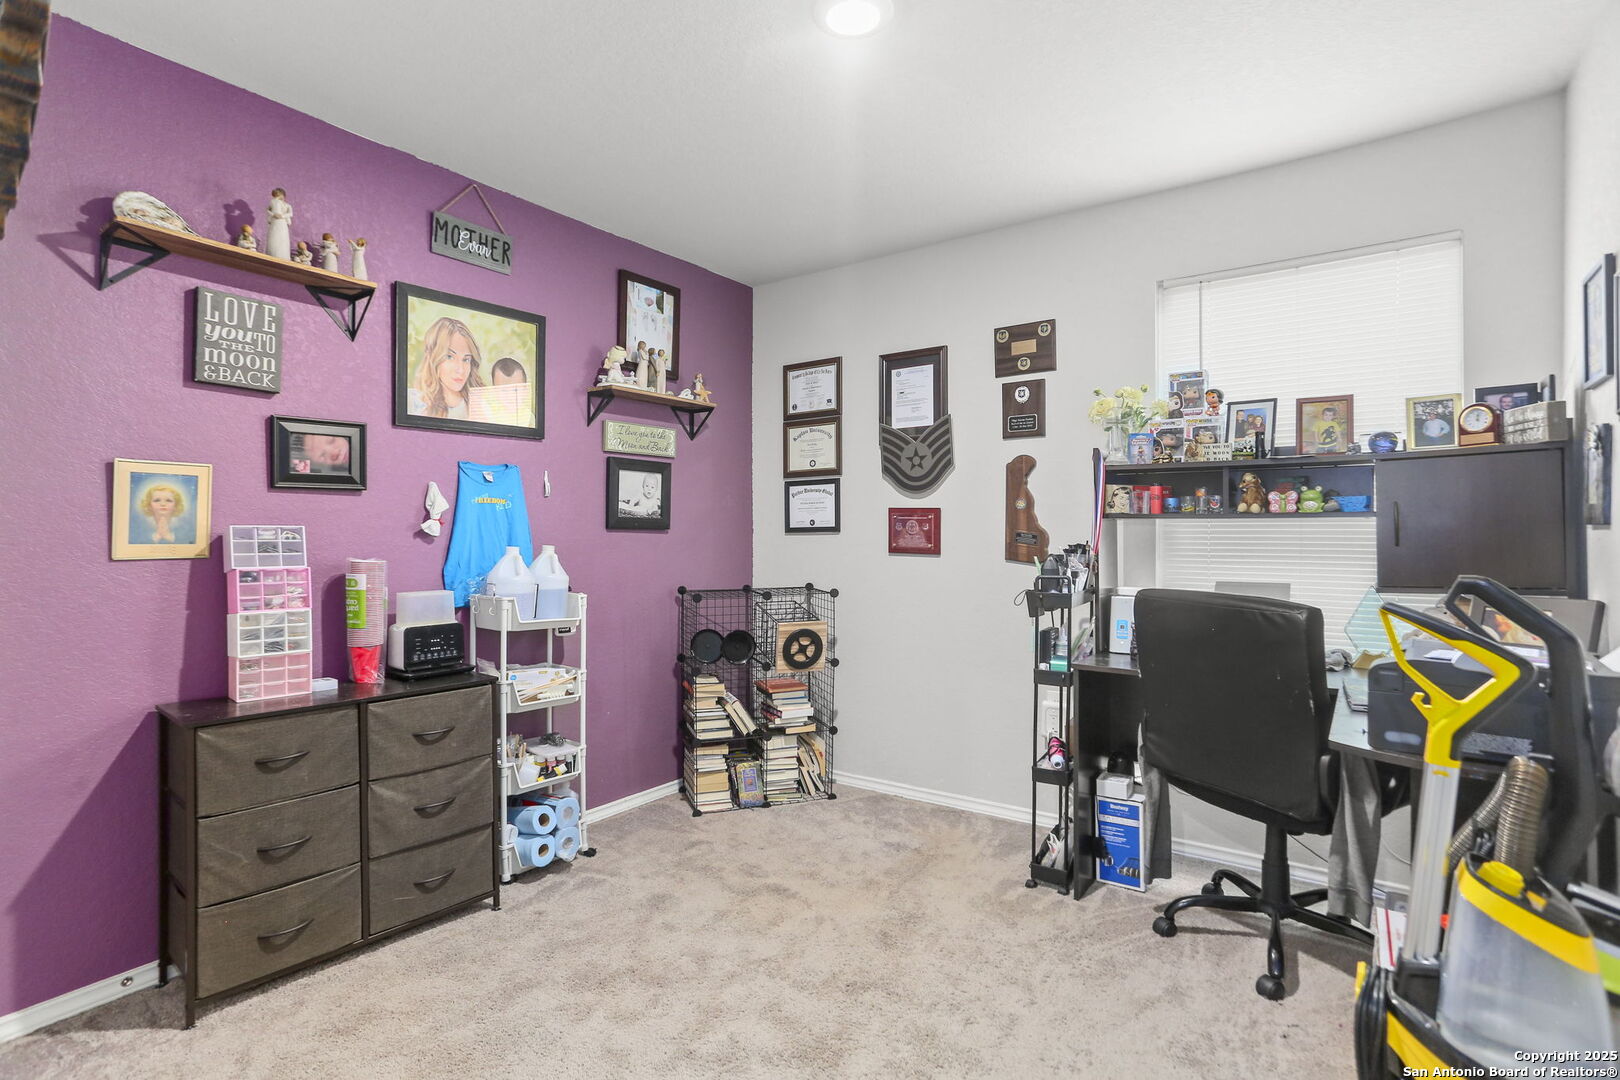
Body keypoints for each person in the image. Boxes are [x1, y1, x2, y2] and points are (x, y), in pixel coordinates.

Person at [409, 316, 484, 419]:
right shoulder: (411, 402)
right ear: (433, 357)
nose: (460, 370)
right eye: (449, 357)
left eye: (466, 359)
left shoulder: (481, 407)